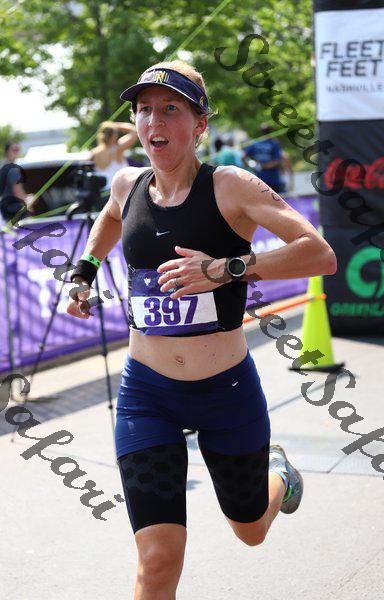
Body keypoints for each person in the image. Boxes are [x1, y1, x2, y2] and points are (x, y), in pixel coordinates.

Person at [67, 60, 337, 599]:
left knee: (251, 530)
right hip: (147, 396)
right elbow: (111, 217)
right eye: (145, 110)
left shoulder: (230, 186)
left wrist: (226, 268)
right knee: (158, 559)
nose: (154, 121)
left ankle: (280, 476)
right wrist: (85, 272)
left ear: (200, 124)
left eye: (171, 109)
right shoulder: (126, 184)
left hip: (225, 391)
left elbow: (319, 253)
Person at [89, 121, 138, 190]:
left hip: (102, 192)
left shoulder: (93, 153)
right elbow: (134, 130)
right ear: (114, 136)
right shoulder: (118, 148)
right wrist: (116, 125)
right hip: (120, 191)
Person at [0, 141, 34, 222]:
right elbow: (18, 192)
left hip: (4, 207)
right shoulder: (13, 169)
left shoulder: (1, 166)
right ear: (7, 152)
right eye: (14, 150)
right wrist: (29, 200)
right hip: (14, 208)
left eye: (18, 149)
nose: (17, 152)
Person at [242, 123, 285, 193]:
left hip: (260, 180)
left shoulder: (255, 144)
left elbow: (243, 157)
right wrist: (264, 166)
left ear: (261, 132)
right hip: (274, 180)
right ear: (270, 132)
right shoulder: (274, 143)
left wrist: (253, 167)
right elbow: (277, 162)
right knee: (279, 198)